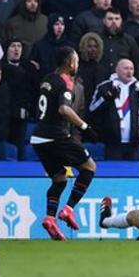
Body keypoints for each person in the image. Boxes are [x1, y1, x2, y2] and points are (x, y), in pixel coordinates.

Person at [30, 46, 99, 241]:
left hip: (38, 139)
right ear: (70, 63)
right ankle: (68, 209)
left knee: (59, 179)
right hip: (55, 136)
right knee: (90, 167)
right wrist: (85, 127)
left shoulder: (47, 79)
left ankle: (50, 218)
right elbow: (64, 109)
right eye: (76, 60)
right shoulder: (65, 82)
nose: (77, 64)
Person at [89, 59, 139, 160]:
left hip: (134, 144)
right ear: (117, 70)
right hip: (113, 143)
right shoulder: (105, 86)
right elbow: (92, 109)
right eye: (126, 68)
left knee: (134, 174)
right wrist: (107, 97)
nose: (129, 72)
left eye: (131, 69)